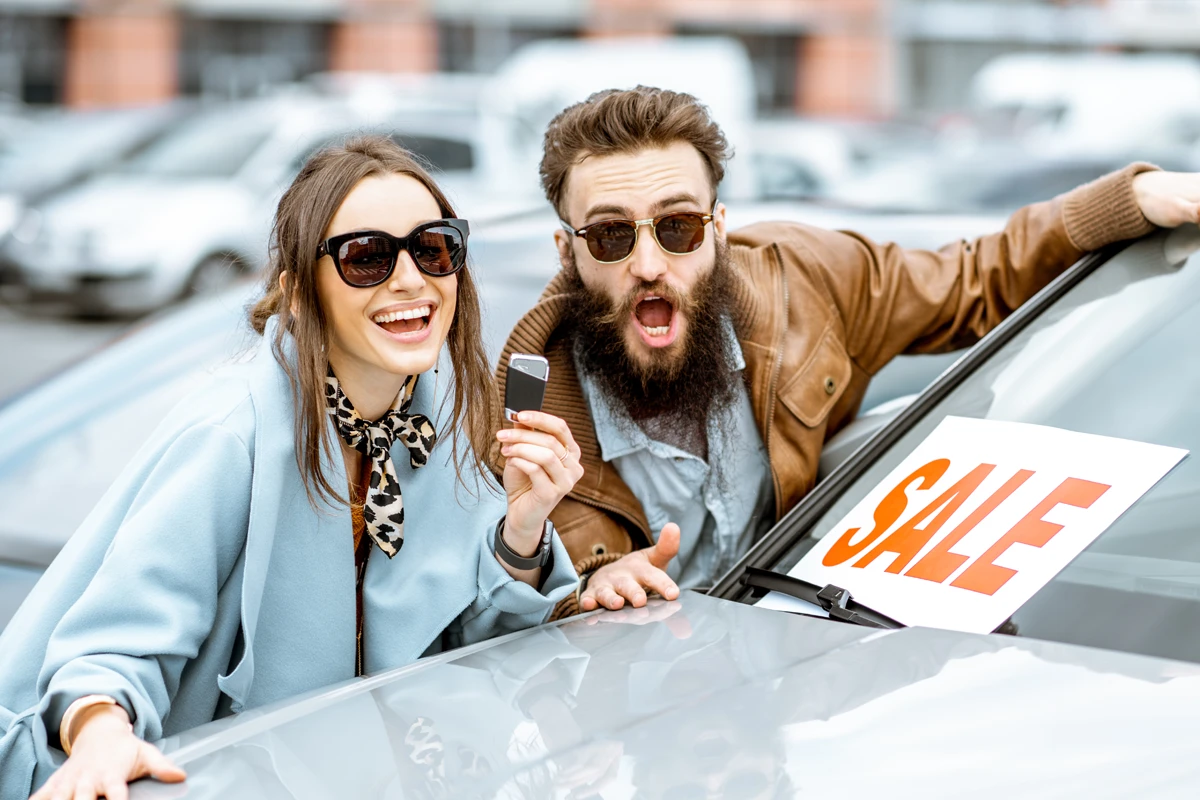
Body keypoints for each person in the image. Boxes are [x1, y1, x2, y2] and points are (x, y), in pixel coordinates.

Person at [0, 135, 585, 800]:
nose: (412, 279)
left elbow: (460, 650)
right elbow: (113, 650)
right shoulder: (234, 434)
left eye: (433, 247)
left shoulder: (437, 412)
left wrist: (524, 526)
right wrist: (104, 733)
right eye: (367, 257)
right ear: (300, 293)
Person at [494, 86, 1200, 617]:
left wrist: (1133, 200)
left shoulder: (809, 283)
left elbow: (979, 280)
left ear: (718, 227)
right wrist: (582, 593)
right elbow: (486, 613)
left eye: (677, 226)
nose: (649, 263)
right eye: (611, 236)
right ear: (568, 251)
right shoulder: (519, 402)